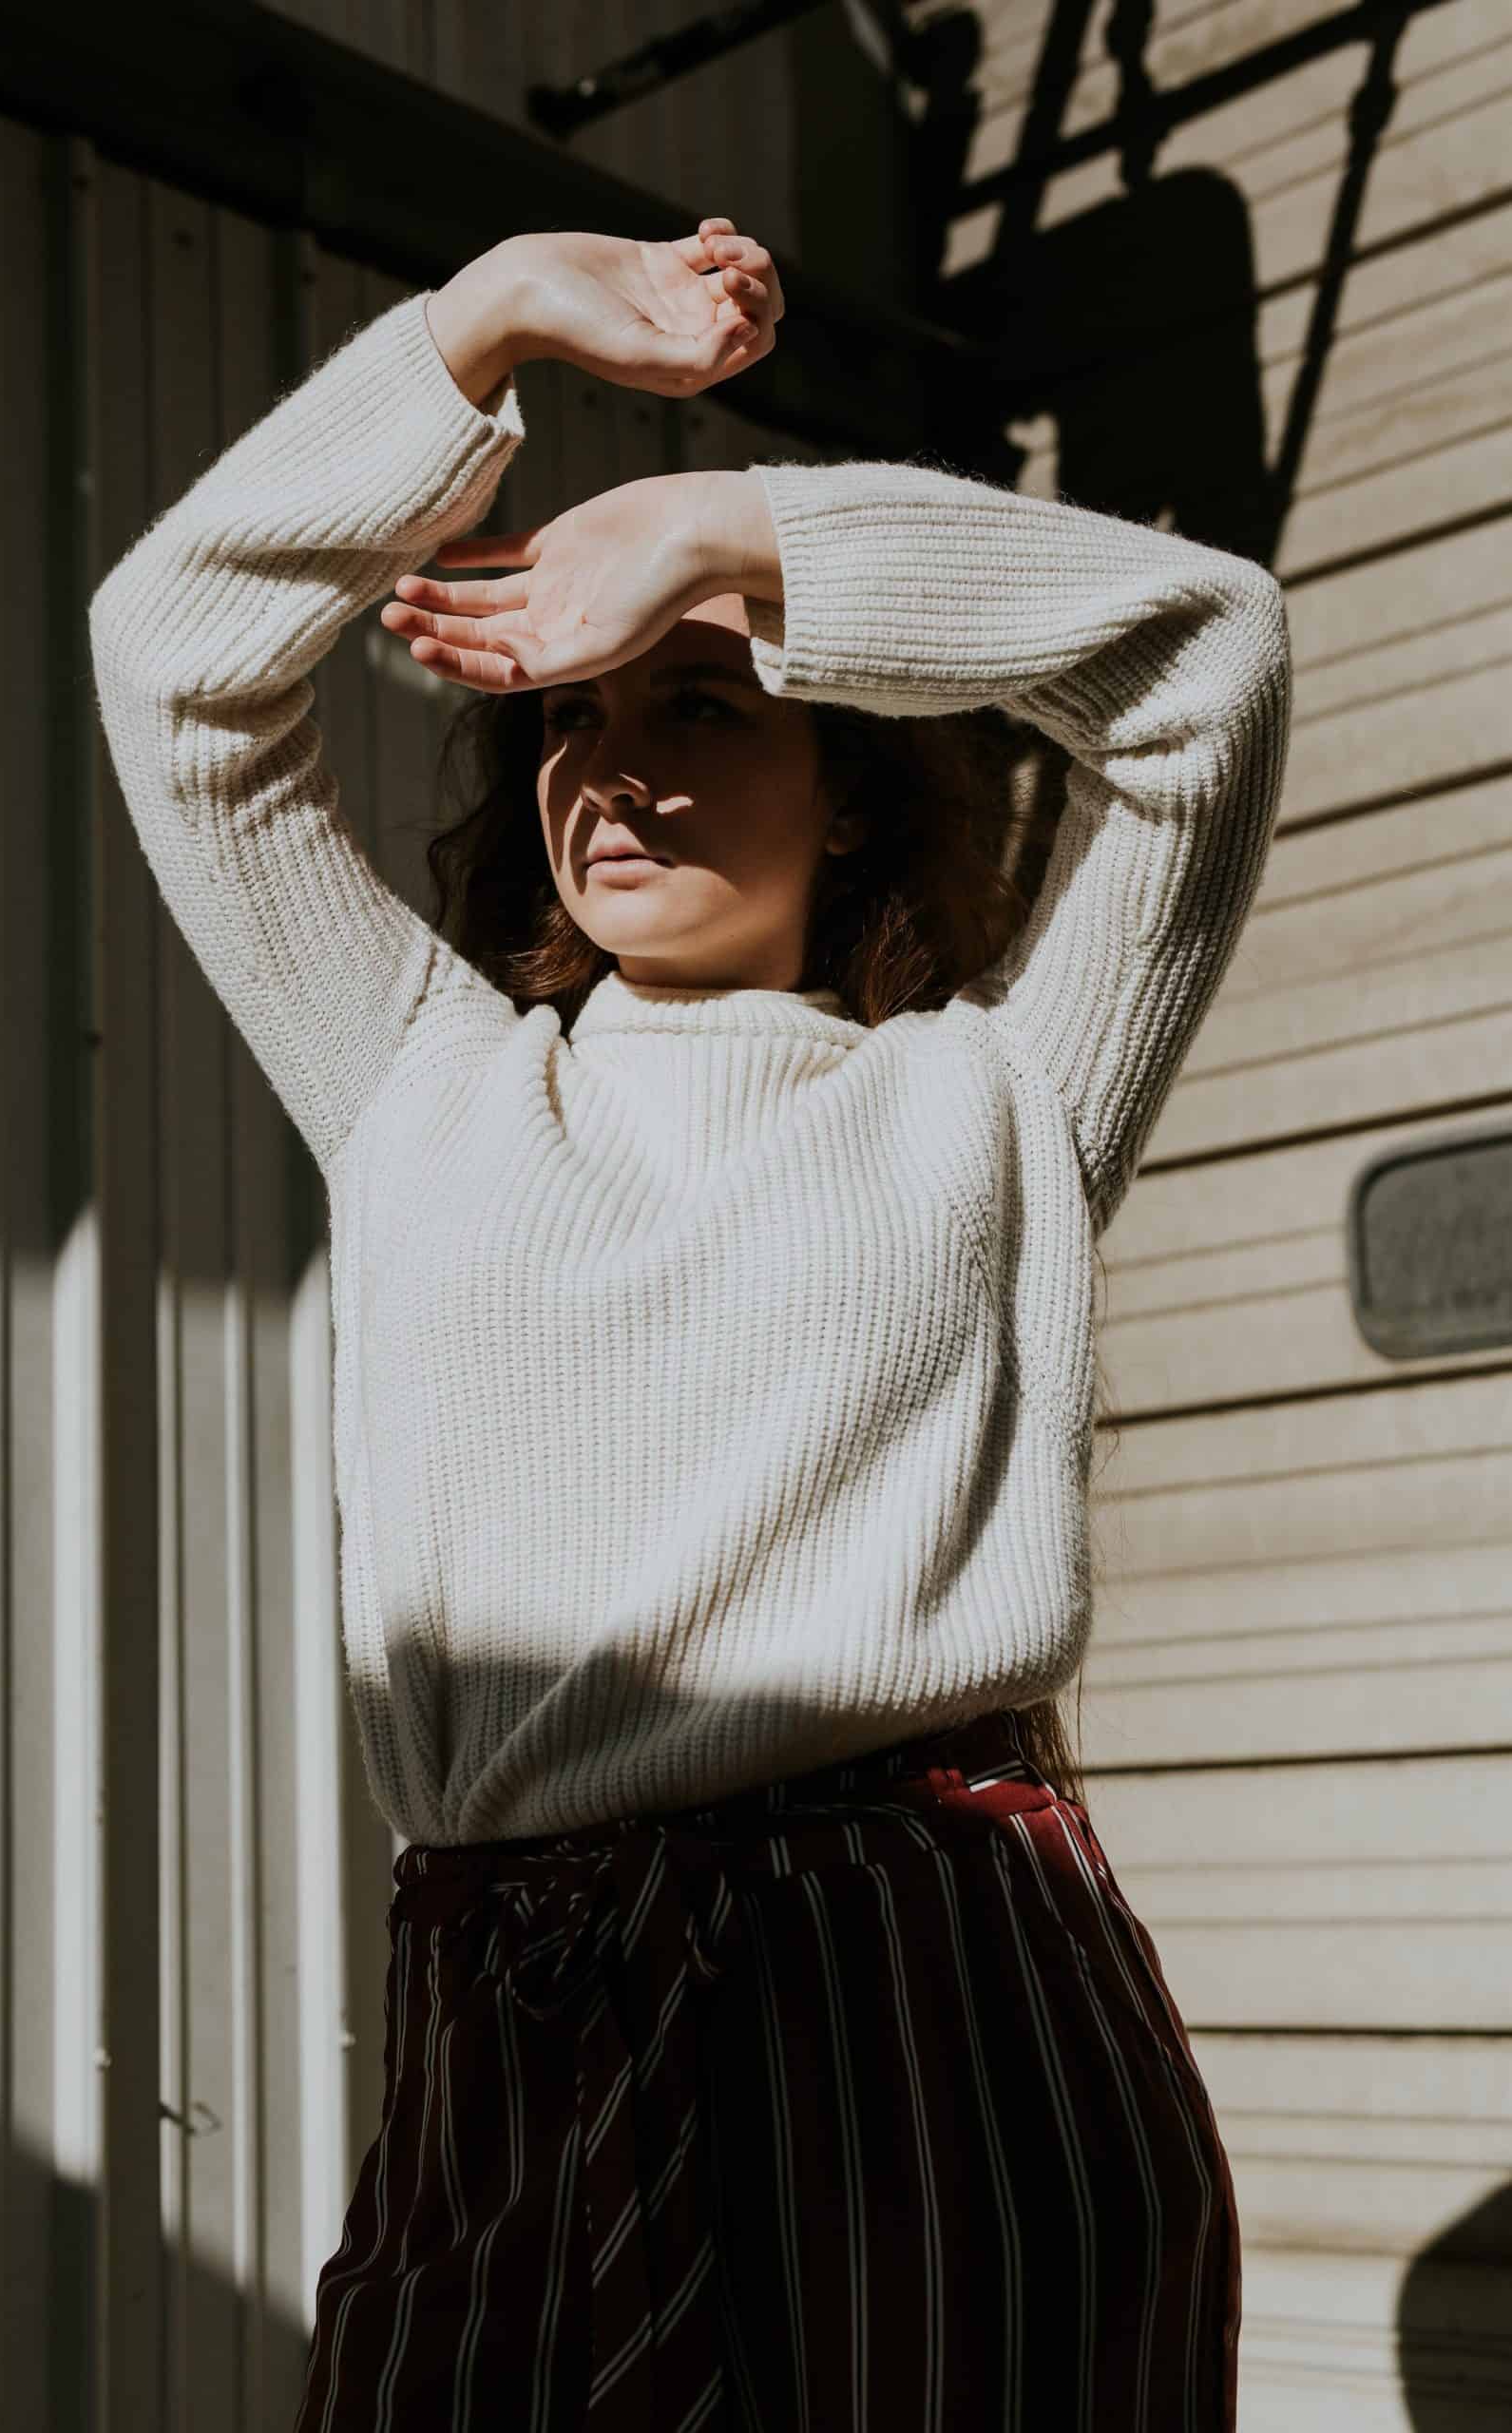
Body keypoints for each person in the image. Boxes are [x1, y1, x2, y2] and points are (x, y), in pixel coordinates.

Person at [88, 212, 1290, 2432]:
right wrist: (490, 322)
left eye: (701, 707)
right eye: (574, 714)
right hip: (525, 2006)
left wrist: (720, 530)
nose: (614, 764)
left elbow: (1206, 664)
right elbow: (175, 664)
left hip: (937, 1983)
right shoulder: (424, 1079)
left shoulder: (999, 1097)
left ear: (853, 784)